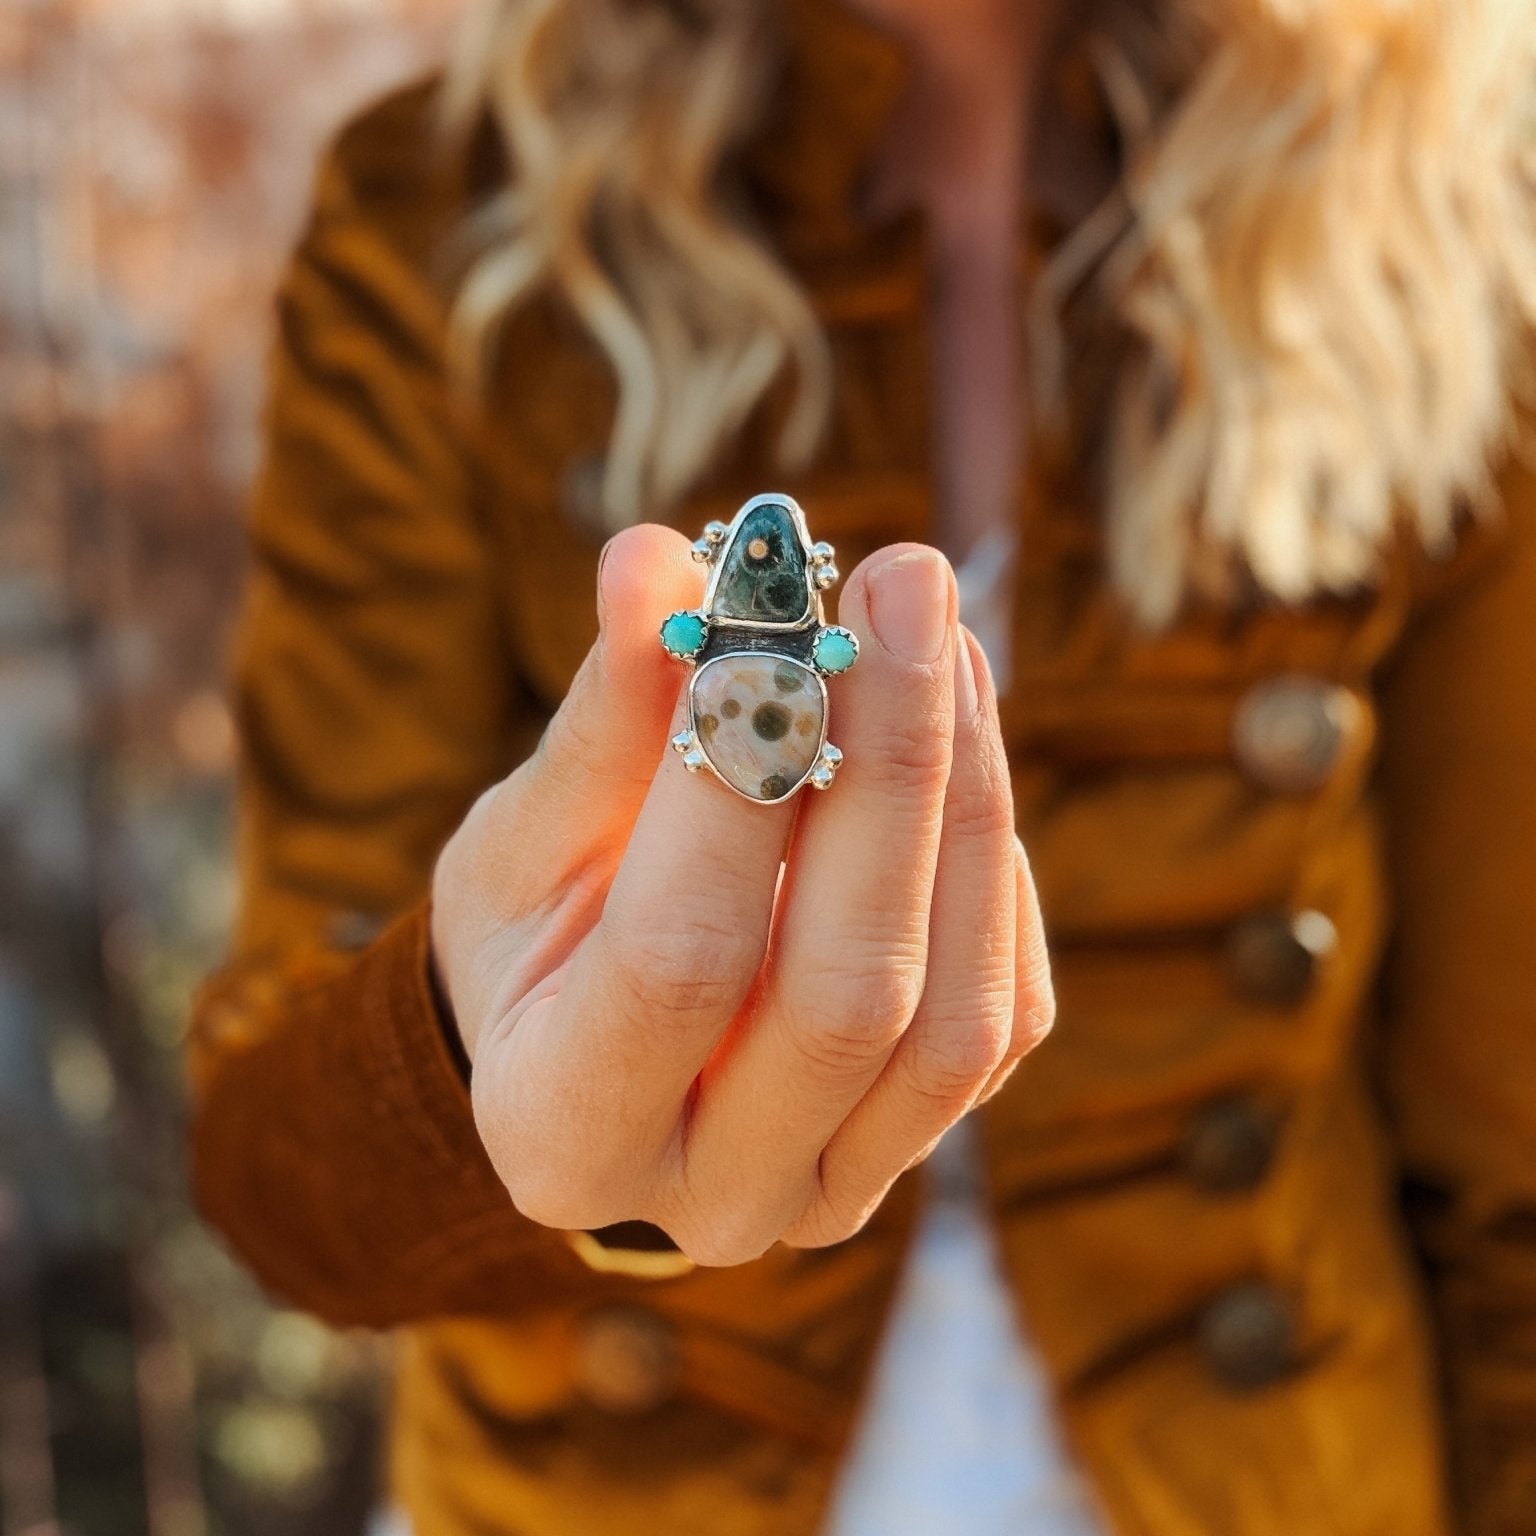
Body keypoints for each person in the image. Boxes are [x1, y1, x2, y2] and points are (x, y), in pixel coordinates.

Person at [187, 0, 1536, 1531]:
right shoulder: (446, 219)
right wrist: (457, 1050)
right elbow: (279, 1187)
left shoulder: (1439, 226)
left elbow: (1508, 1163)